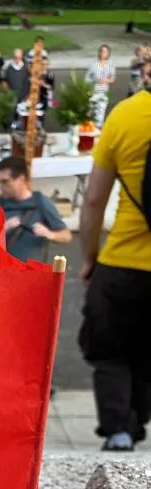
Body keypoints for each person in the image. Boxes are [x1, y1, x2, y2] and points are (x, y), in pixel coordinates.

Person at [78, 52, 151, 451]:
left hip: (122, 262)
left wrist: (89, 258)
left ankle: (119, 431)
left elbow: (92, 202)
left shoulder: (125, 115)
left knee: (110, 351)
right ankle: (136, 419)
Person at [0, 155, 72, 262]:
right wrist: (3, 229)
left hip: (31, 272)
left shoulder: (40, 202)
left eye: (5, 182)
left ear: (21, 179)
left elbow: (66, 236)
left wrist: (50, 234)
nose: (0, 186)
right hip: (2, 270)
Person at [87, 44, 116, 129]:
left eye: (105, 51)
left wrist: (106, 80)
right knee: (89, 111)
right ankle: (88, 129)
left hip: (104, 92)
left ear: (108, 53)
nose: (103, 53)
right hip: (93, 92)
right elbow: (87, 78)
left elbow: (113, 78)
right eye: (101, 51)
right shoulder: (94, 64)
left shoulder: (111, 65)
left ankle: (98, 131)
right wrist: (95, 81)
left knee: (101, 113)